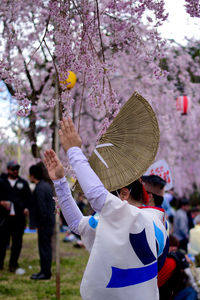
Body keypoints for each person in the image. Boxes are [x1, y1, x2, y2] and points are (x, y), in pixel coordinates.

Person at [43, 117, 169, 300]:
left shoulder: (138, 218)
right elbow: (77, 224)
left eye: (109, 193)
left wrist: (74, 151)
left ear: (124, 194)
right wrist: (60, 182)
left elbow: (96, 196)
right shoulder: (154, 219)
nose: (105, 199)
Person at [0, 160, 31, 272]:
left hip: (19, 219)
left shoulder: (23, 183)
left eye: (17, 169)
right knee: (2, 242)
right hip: (4, 218)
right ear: (8, 169)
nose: (15, 171)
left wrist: (27, 208)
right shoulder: (1, 181)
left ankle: (13, 264)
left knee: (17, 242)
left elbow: (29, 199)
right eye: (13, 169)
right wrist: (1, 202)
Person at [29, 164, 55, 280]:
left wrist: (40, 223)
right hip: (49, 222)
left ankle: (45, 273)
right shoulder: (47, 186)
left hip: (44, 224)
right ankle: (45, 271)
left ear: (32, 175)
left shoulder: (39, 188)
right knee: (46, 248)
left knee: (44, 248)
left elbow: (42, 208)